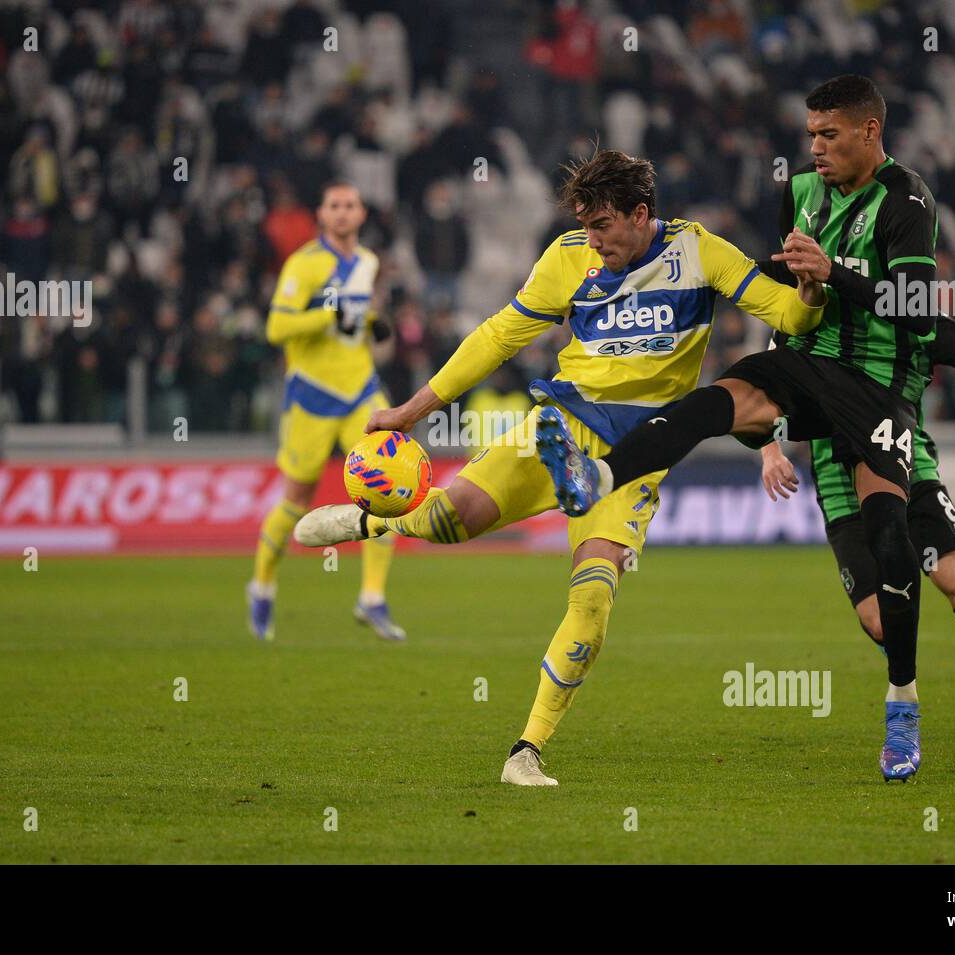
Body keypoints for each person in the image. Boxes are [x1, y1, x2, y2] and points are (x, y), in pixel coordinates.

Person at [292, 149, 824, 785]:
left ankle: (526, 750)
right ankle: (372, 524)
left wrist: (813, 287)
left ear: (640, 214)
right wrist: (414, 408)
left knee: (594, 597)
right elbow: (499, 337)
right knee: (446, 522)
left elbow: (790, 315)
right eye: (585, 225)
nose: (592, 241)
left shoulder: (700, 252)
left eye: (603, 226)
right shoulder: (568, 258)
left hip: (638, 453)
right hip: (559, 427)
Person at [537, 76, 943, 780]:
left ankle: (901, 702)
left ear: (870, 132)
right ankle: (599, 473)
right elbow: (782, 279)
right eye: (810, 133)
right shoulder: (803, 194)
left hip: (880, 389)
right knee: (717, 400)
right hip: (810, 362)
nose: (814, 147)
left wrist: (837, 277)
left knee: (889, 538)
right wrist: (693, 283)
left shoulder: (908, 200)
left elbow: (919, 309)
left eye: (829, 135)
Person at [760, 316, 955, 739]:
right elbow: (760, 391)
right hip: (838, 479)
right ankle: (905, 691)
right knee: (879, 621)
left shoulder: (911, 312)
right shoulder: (803, 316)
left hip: (907, 466)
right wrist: (770, 452)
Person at [249, 182, 402, 642]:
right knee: (296, 500)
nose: (341, 213)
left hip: (360, 391)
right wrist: (325, 317)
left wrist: (374, 323)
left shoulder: (370, 262)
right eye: (333, 205)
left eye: (349, 205)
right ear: (320, 213)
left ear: (361, 213)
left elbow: (357, 317)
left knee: (390, 487)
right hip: (312, 396)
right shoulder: (304, 263)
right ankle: (262, 585)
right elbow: (276, 327)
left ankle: (372, 597)